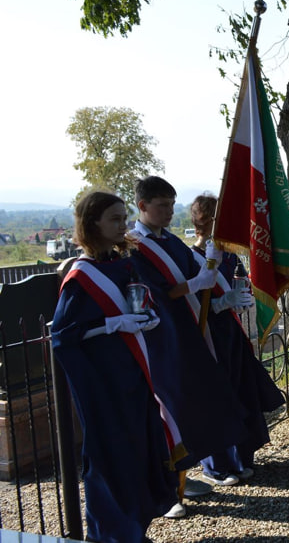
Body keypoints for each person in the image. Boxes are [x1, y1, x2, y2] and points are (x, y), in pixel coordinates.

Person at [51, 191, 178, 542]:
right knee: (112, 457)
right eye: (114, 219)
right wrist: (110, 326)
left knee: (140, 451)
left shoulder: (123, 263)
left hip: (134, 377)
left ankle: (135, 528)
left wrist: (146, 316)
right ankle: (111, 533)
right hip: (104, 384)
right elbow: (63, 336)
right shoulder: (81, 277)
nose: (123, 225)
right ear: (92, 224)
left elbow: (141, 298)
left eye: (124, 218)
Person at [129, 176, 249, 517]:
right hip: (161, 336)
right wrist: (195, 283)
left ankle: (184, 477)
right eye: (161, 205)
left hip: (188, 331)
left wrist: (209, 268)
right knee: (168, 410)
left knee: (193, 404)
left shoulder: (171, 241)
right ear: (142, 206)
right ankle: (169, 492)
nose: (169, 211)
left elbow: (197, 275)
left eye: (171, 204)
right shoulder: (135, 245)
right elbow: (155, 291)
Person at [189, 193, 286, 484]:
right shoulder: (189, 257)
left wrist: (238, 299)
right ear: (204, 220)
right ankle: (217, 466)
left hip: (231, 333)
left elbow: (239, 283)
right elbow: (189, 301)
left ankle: (240, 457)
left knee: (240, 393)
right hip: (208, 335)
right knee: (217, 398)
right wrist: (220, 303)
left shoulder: (229, 256)